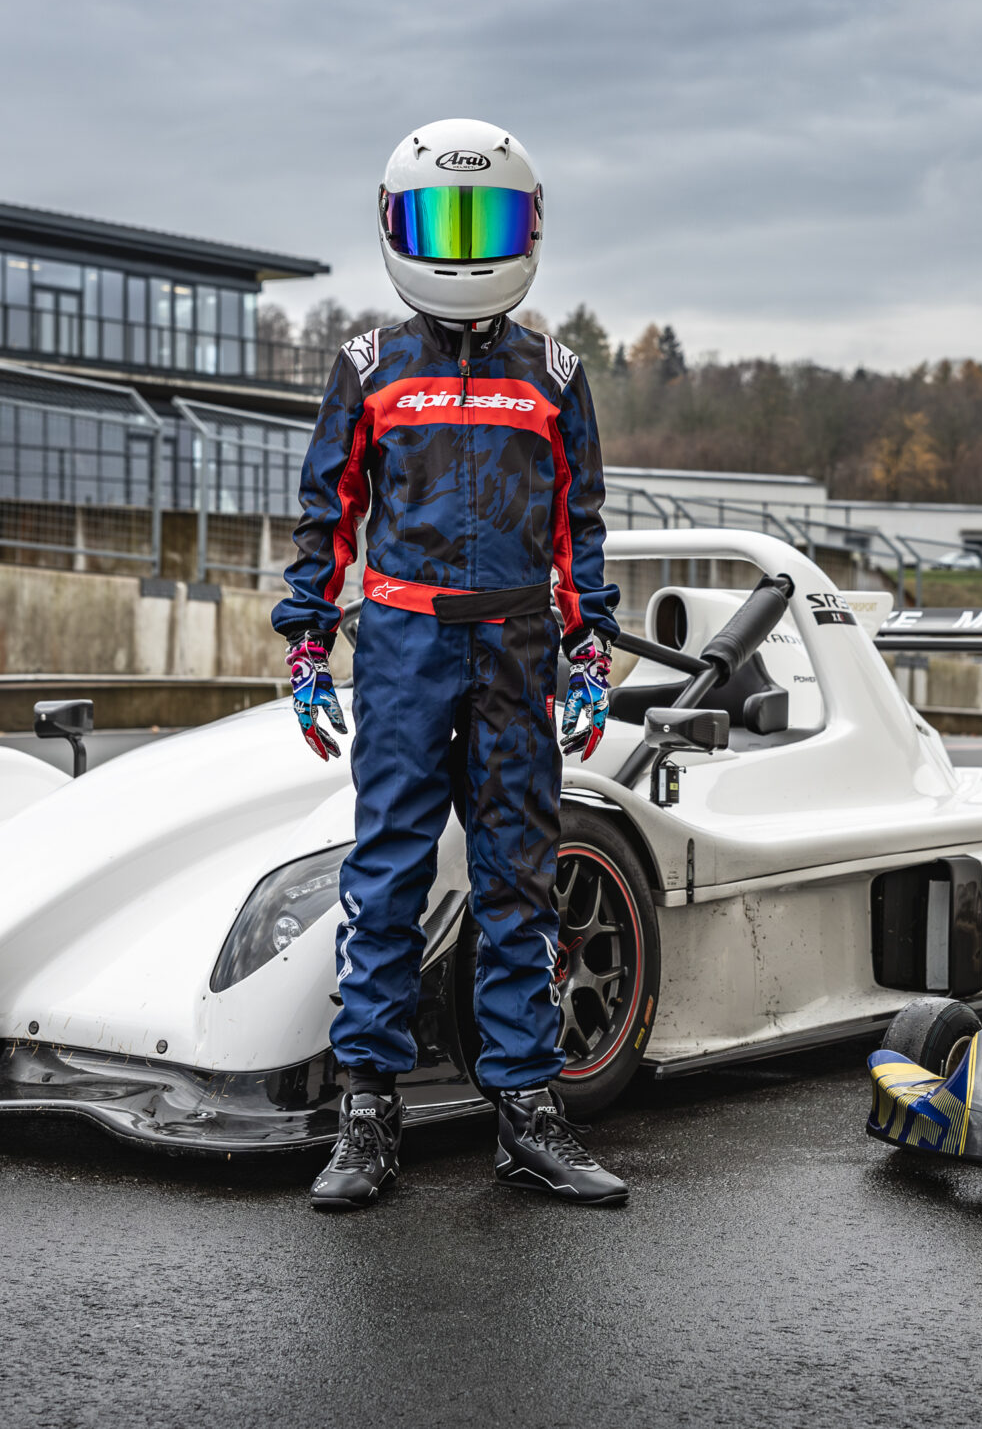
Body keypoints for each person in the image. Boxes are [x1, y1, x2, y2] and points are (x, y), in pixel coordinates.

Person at [274, 119, 627, 1212]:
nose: (467, 248)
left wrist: (589, 642)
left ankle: (524, 1110)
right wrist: (303, 639)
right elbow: (326, 511)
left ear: (528, 228)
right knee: (383, 878)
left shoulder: (554, 372)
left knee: (518, 880)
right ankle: (366, 1111)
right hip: (405, 644)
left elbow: (580, 524)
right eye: (443, 220)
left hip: (517, 643)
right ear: (395, 225)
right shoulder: (368, 366)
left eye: (489, 222)